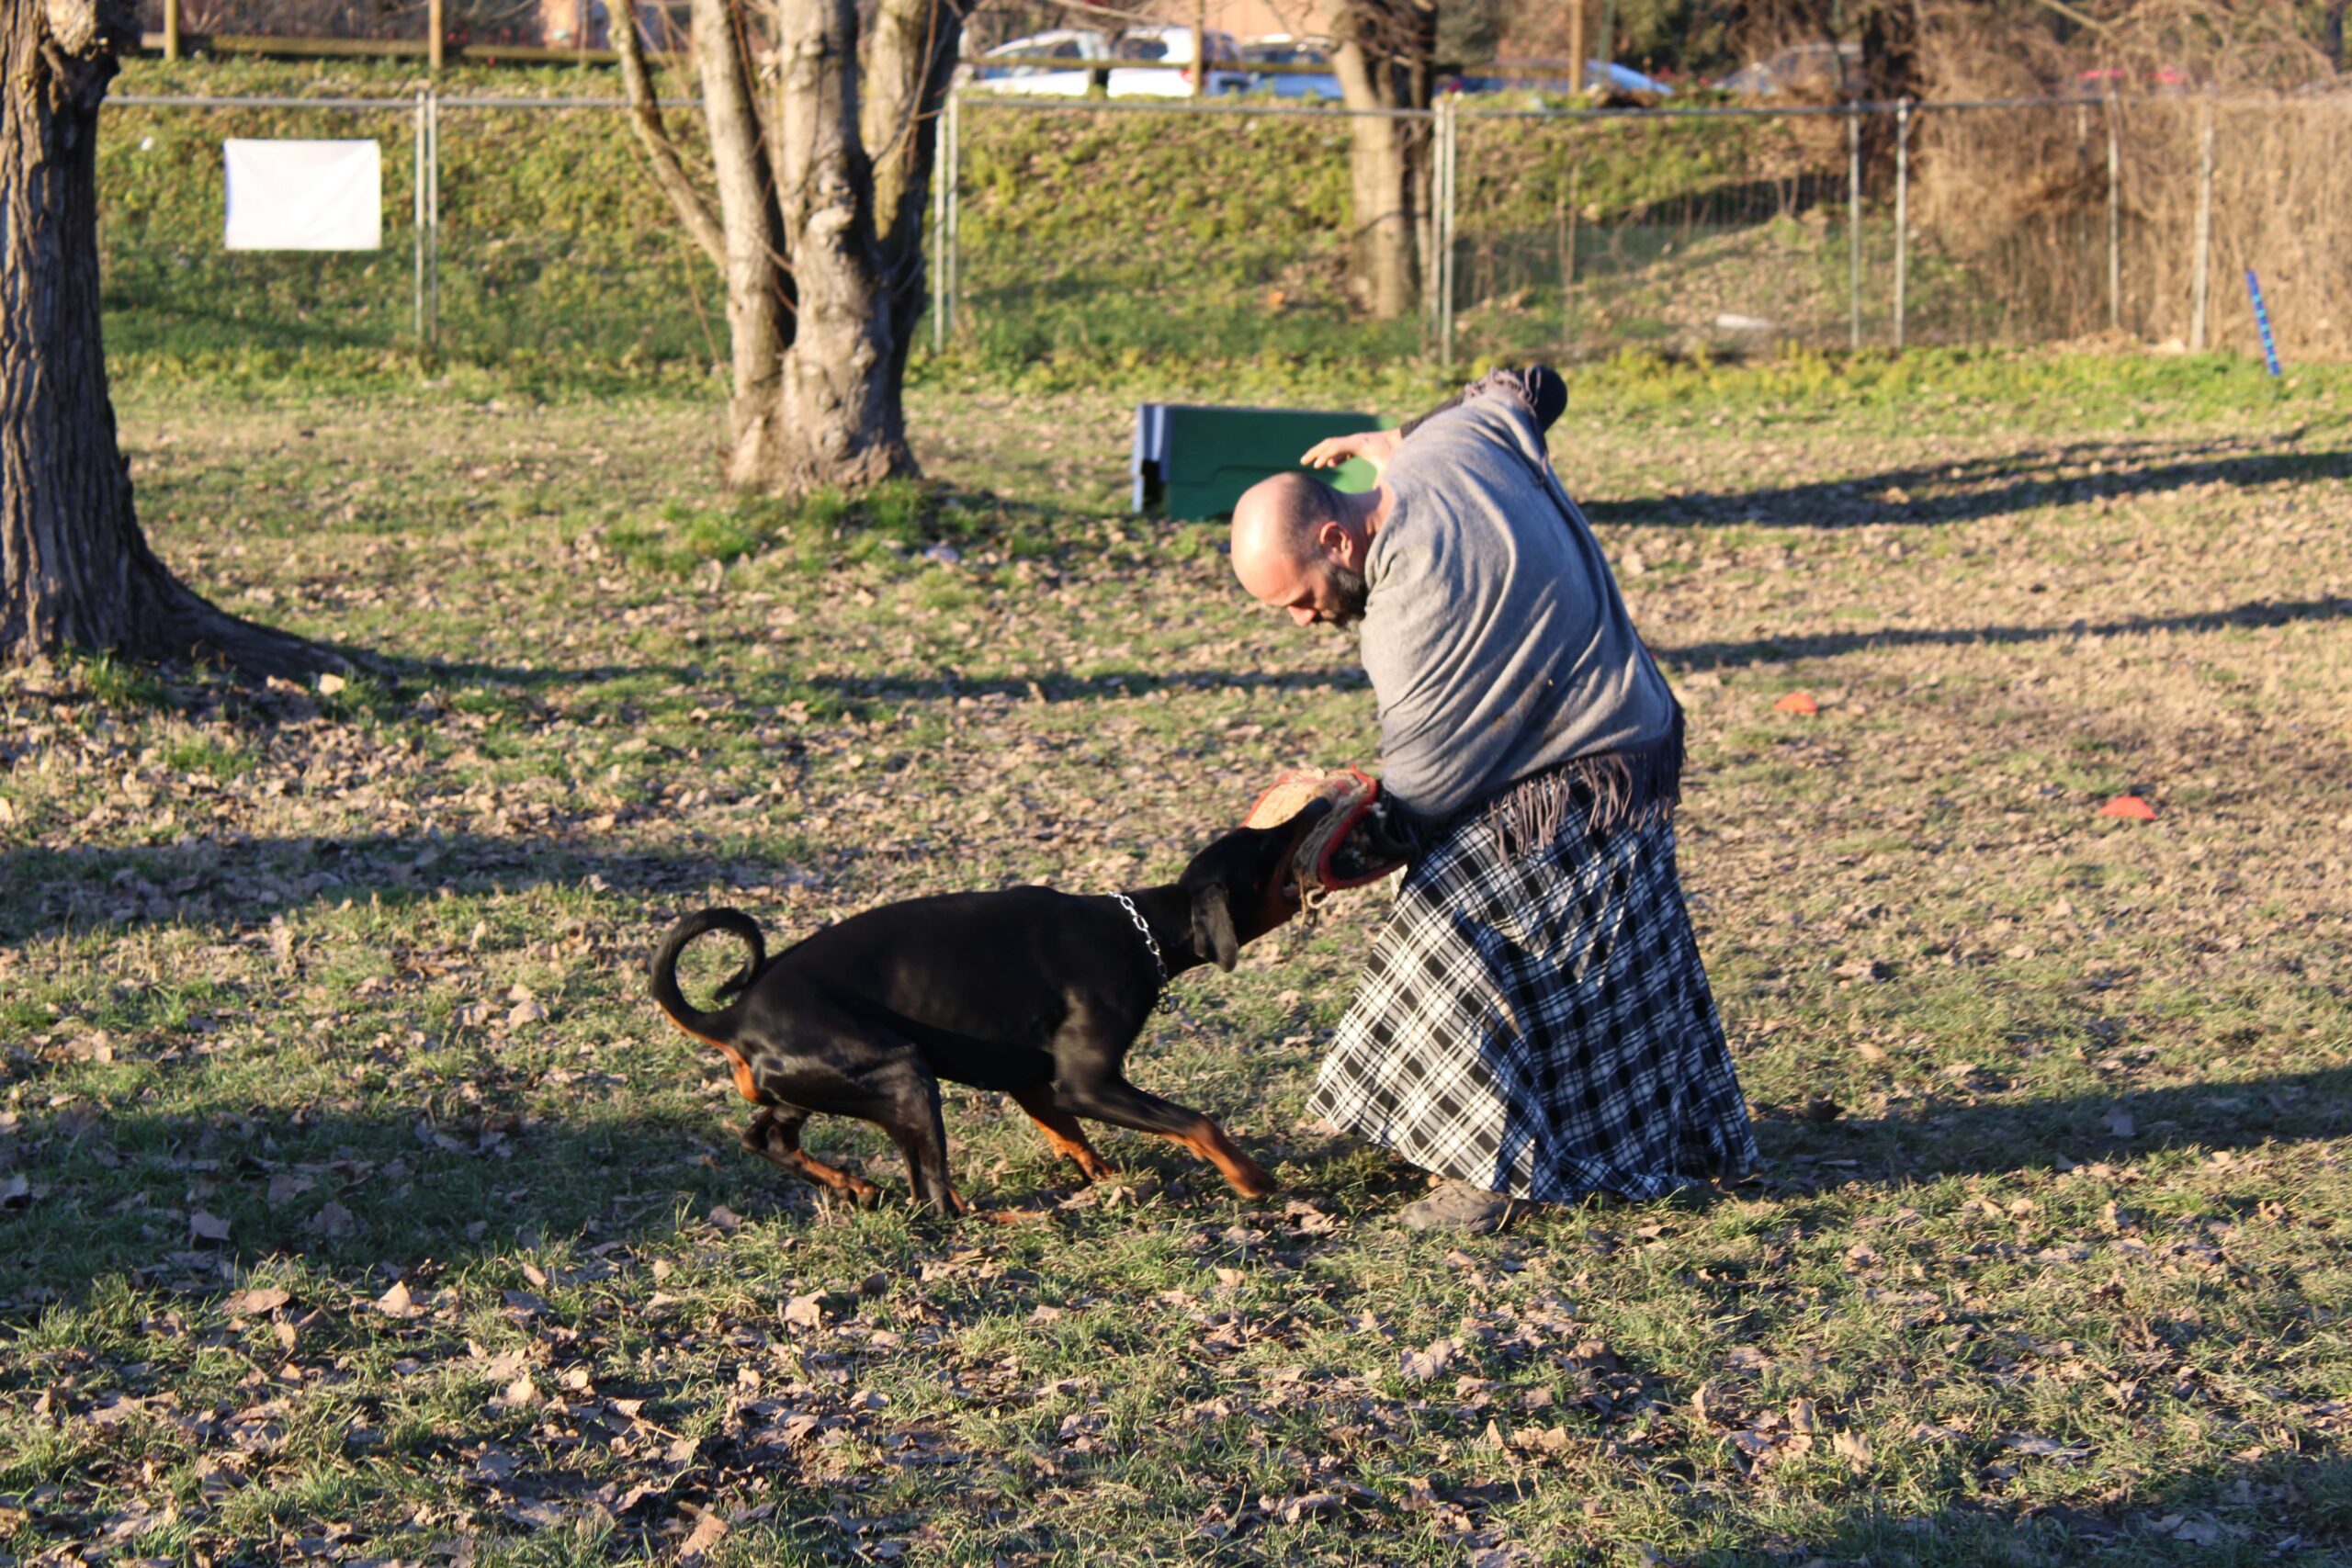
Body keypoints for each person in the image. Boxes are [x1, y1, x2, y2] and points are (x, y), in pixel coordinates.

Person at [1227, 366, 1758, 1233]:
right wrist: (1412, 436)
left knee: (1448, 925)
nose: (1304, 621)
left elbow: (1421, 798)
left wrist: (1313, 855)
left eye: (1301, 599)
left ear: (1337, 536)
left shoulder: (1411, 609)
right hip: (1632, 732)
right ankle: (1650, 1137)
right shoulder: (1453, 446)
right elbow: (1529, 385)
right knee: (1595, 961)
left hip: (1578, 768)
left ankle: (1491, 1169)